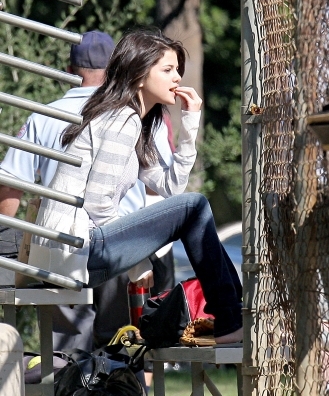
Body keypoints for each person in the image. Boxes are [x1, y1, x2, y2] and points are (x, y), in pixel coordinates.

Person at [28, 27, 243, 344]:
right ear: (140, 74)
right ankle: (229, 318)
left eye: (178, 70)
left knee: (193, 208)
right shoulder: (121, 120)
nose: (177, 78)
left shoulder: (136, 123)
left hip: (83, 245)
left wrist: (190, 123)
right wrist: (137, 262)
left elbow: (170, 186)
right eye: (167, 70)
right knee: (194, 206)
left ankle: (232, 314)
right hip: (77, 246)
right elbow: (98, 204)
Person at [0, 30, 175, 351]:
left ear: (69, 71)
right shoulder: (144, 113)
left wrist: (8, 257)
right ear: (121, 68)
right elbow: (164, 185)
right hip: (123, 246)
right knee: (124, 351)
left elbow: (11, 186)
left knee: (67, 354)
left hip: (63, 248)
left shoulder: (45, 114)